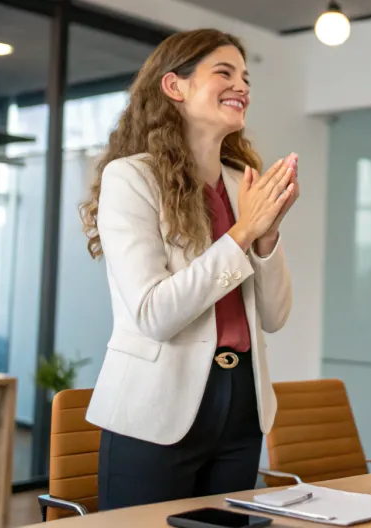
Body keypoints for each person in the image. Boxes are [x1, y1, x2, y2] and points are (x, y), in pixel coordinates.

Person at [79, 28, 298, 510]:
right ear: (174, 87)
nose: (242, 86)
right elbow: (154, 313)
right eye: (224, 73)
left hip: (242, 403)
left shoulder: (245, 184)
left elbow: (275, 316)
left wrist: (266, 235)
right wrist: (242, 234)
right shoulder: (131, 178)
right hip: (154, 408)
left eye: (245, 77)